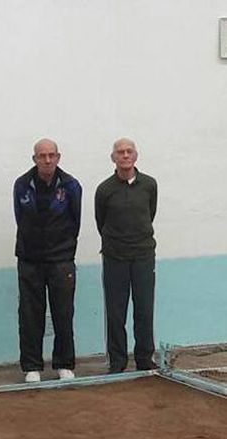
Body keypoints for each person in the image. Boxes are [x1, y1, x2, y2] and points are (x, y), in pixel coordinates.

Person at [13, 138, 82, 383]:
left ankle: (64, 364)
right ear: (35, 159)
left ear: (58, 157)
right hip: (30, 261)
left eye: (51, 155)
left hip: (61, 260)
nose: (47, 160)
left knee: (63, 312)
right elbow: (20, 219)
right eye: (42, 156)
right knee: (30, 314)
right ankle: (32, 366)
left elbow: (75, 222)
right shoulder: (22, 184)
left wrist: (62, 249)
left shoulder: (72, 185)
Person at [95, 138, 157, 374]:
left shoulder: (149, 185)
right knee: (115, 311)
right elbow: (101, 222)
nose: (125, 155)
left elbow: (150, 214)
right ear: (113, 158)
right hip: (115, 258)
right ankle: (118, 361)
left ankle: (144, 358)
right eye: (120, 152)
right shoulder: (105, 190)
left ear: (135, 156)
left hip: (143, 256)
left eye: (129, 151)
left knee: (144, 309)